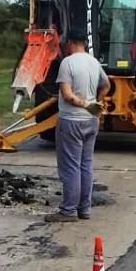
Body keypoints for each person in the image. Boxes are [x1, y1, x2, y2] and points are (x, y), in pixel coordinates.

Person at [45, 31, 110, 224]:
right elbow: (106, 84)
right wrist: (97, 102)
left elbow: (66, 95)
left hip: (71, 121)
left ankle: (68, 210)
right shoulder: (94, 62)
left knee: (70, 167)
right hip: (91, 121)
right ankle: (84, 208)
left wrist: (84, 104)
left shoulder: (68, 63)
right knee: (86, 164)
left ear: (71, 43)